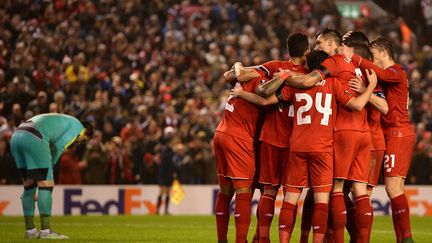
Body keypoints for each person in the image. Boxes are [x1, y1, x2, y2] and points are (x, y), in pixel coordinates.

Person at [233, 32, 309, 243]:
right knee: (291, 196)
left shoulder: (276, 66)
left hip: (270, 137)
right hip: (296, 142)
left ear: (288, 50)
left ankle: (261, 238)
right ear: (307, 51)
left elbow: (245, 76)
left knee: (268, 191)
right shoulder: (309, 76)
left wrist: (237, 70)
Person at [350, 37, 416, 243]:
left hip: (398, 132)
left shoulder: (397, 71)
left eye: (373, 54)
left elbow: (382, 76)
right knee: (395, 189)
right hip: (393, 133)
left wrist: (354, 58)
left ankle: (407, 238)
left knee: (393, 188)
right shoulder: (389, 78)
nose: (372, 58)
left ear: (383, 52)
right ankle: (402, 239)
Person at [10, 113, 93, 239]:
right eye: (84, 140)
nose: (79, 142)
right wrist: (50, 167)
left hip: (16, 137)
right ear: (85, 131)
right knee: (46, 184)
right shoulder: (78, 127)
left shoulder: (65, 120)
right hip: (34, 137)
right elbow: (59, 146)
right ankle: (45, 232)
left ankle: (30, 231)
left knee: (29, 185)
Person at [213, 68, 266, 243]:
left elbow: (227, 74)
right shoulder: (261, 83)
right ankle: (240, 240)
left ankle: (222, 240)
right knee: (244, 192)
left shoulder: (240, 81)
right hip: (238, 138)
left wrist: (238, 66)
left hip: (220, 133)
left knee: (224, 192)